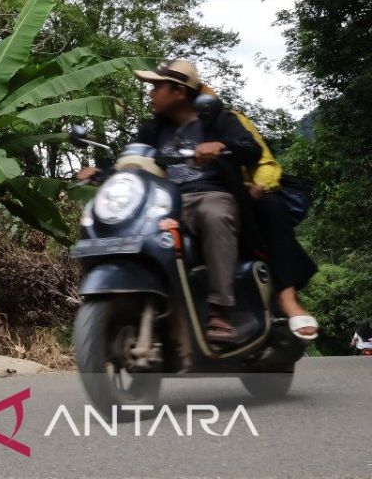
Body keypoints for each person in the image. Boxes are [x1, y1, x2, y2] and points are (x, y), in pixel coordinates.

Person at [79, 59, 261, 344]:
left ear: (178, 91)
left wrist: (221, 146)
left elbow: (252, 151)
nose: (150, 93)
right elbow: (133, 164)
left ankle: (220, 310)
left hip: (208, 194)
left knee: (215, 214)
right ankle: (140, 301)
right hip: (162, 199)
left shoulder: (217, 120)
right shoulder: (152, 130)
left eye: (157, 87)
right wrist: (102, 173)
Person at [225, 101, 319, 341]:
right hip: (189, 198)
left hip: (242, 198)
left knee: (270, 205)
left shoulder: (227, 118)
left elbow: (265, 162)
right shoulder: (159, 127)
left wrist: (259, 187)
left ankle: (286, 296)